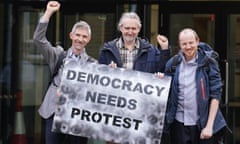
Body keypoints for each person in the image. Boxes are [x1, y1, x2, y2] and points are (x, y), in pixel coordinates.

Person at [98, 12, 170, 143]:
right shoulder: (106, 50)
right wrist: (107, 72)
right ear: (120, 28)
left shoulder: (152, 51)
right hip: (116, 114)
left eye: (133, 28)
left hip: (141, 114)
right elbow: (98, 82)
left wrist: (164, 49)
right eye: (126, 28)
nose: (130, 32)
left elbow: (162, 71)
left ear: (139, 29)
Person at [33, 1, 96, 144]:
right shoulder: (58, 55)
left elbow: (95, 93)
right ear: (71, 36)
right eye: (78, 35)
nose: (80, 39)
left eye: (84, 36)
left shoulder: (93, 64)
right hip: (54, 111)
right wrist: (48, 12)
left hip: (77, 117)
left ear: (89, 40)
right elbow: (38, 39)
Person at [163, 28, 227, 144]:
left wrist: (209, 126)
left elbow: (215, 96)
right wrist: (159, 79)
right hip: (178, 123)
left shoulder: (208, 62)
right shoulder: (172, 64)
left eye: (191, 43)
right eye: (184, 44)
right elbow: (165, 91)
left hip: (202, 124)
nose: (188, 47)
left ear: (197, 41)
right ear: (180, 45)